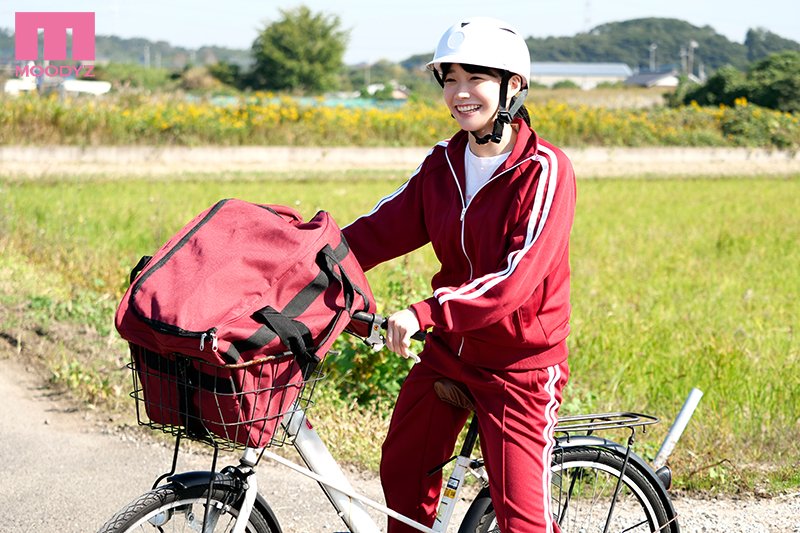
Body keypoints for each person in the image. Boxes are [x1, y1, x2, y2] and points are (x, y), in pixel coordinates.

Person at [342, 16, 576, 533]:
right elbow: (376, 232)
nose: (460, 93)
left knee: (521, 519)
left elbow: (514, 281)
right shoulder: (443, 165)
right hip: (450, 353)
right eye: (450, 80)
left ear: (512, 87)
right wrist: (308, 264)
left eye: (476, 79)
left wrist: (426, 311)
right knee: (402, 474)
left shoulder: (544, 170)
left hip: (519, 367)